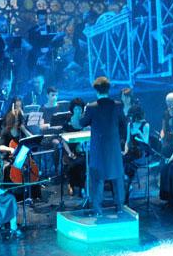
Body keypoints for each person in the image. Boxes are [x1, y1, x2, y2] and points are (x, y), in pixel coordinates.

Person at [80, 76, 127, 216]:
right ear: (108, 89)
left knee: (97, 178)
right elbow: (123, 125)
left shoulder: (91, 107)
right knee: (117, 176)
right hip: (113, 147)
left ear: (96, 90)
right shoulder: (118, 105)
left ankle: (97, 210)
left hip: (98, 147)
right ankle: (120, 207)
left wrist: (82, 112)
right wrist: (122, 142)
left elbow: (82, 123)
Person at [61, 98, 87, 197]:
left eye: (80, 109)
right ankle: (71, 184)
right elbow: (63, 140)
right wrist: (69, 152)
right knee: (72, 162)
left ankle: (82, 187)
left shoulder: (84, 121)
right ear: (72, 109)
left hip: (81, 150)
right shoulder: (67, 122)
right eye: (76, 109)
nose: (78, 111)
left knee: (83, 162)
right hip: (69, 150)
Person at [123, 104, 150, 201]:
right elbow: (127, 141)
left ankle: (127, 188)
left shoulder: (145, 125)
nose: (130, 118)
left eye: (131, 116)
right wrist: (125, 151)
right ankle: (126, 185)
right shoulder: (130, 125)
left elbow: (146, 142)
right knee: (122, 160)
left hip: (141, 152)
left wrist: (138, 132)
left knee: (129, 165)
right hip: (131, 151)